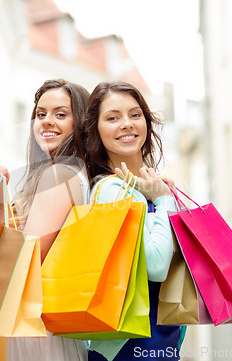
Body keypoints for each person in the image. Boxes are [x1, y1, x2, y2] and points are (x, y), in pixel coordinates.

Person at [0, 78, 90, 361]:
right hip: (39, 326)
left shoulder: (60, 174)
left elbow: (25, 262)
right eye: (41, 114)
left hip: (38, 330)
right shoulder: (63, 174)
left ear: (81, 123)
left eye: (61, 114)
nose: (47, 121)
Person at [82, 81, 186, 361]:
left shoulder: (155, 187)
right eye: (113, 118)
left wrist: (163, 196)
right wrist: (164, 202)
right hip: (128, 348)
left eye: (135, 114)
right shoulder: (113, 191)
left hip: (161, 342)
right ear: (97, 130)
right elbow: (155, 266)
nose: (126, 124)